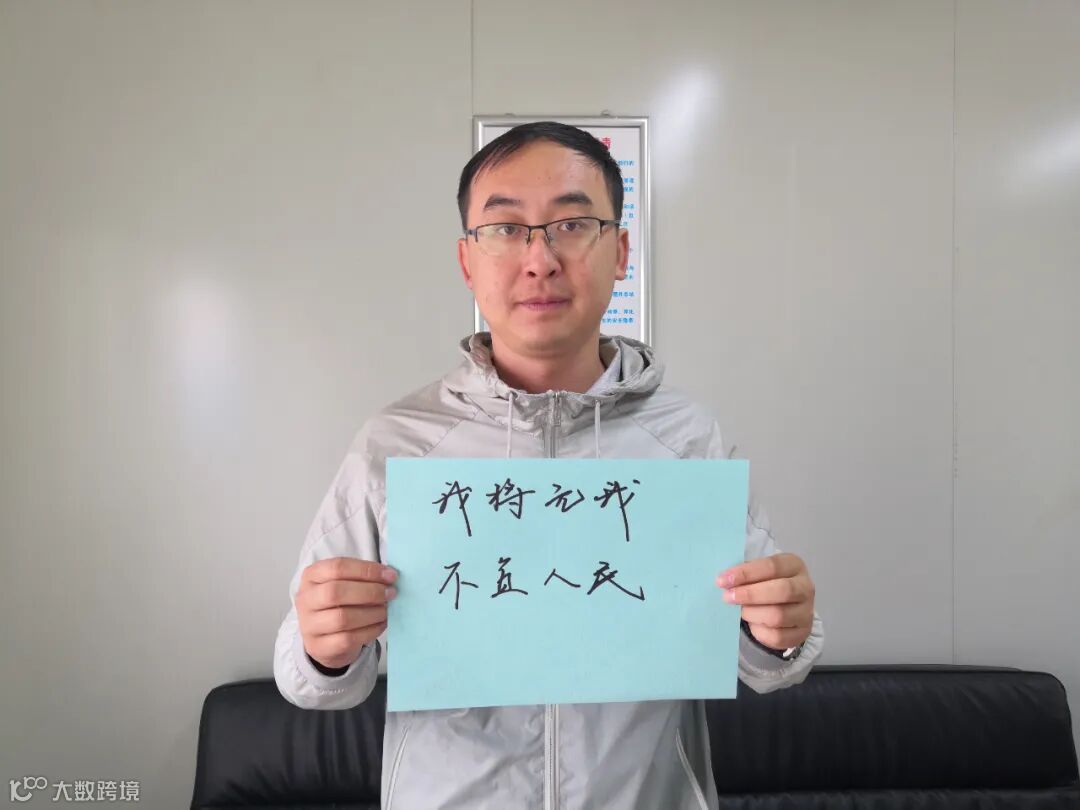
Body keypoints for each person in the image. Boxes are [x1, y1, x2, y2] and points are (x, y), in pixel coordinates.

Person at [273, 121, 824, 809]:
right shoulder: (399, 445)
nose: (539, 259)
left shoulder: (686, 441)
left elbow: (768, 664)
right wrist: (325, 646)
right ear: (467, 261)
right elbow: (304, 675)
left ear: (620, 251)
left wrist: (780, 631)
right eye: (505, 229)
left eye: (572, 224)